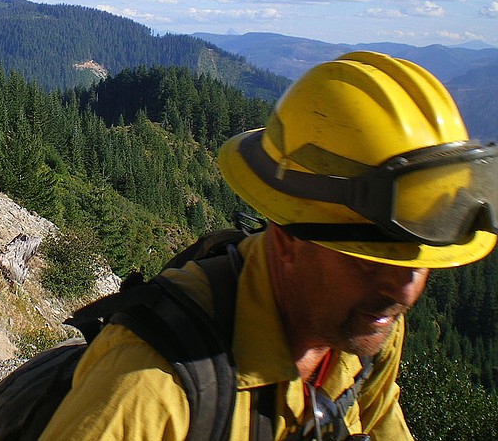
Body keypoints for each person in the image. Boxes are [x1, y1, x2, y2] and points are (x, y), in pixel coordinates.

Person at [39, 52, 498, 441]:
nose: (404, 290)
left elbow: (381, 422)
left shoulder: (370, 332)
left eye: (419, 264)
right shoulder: (149, 387)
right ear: (286, 239)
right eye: (370, 261)